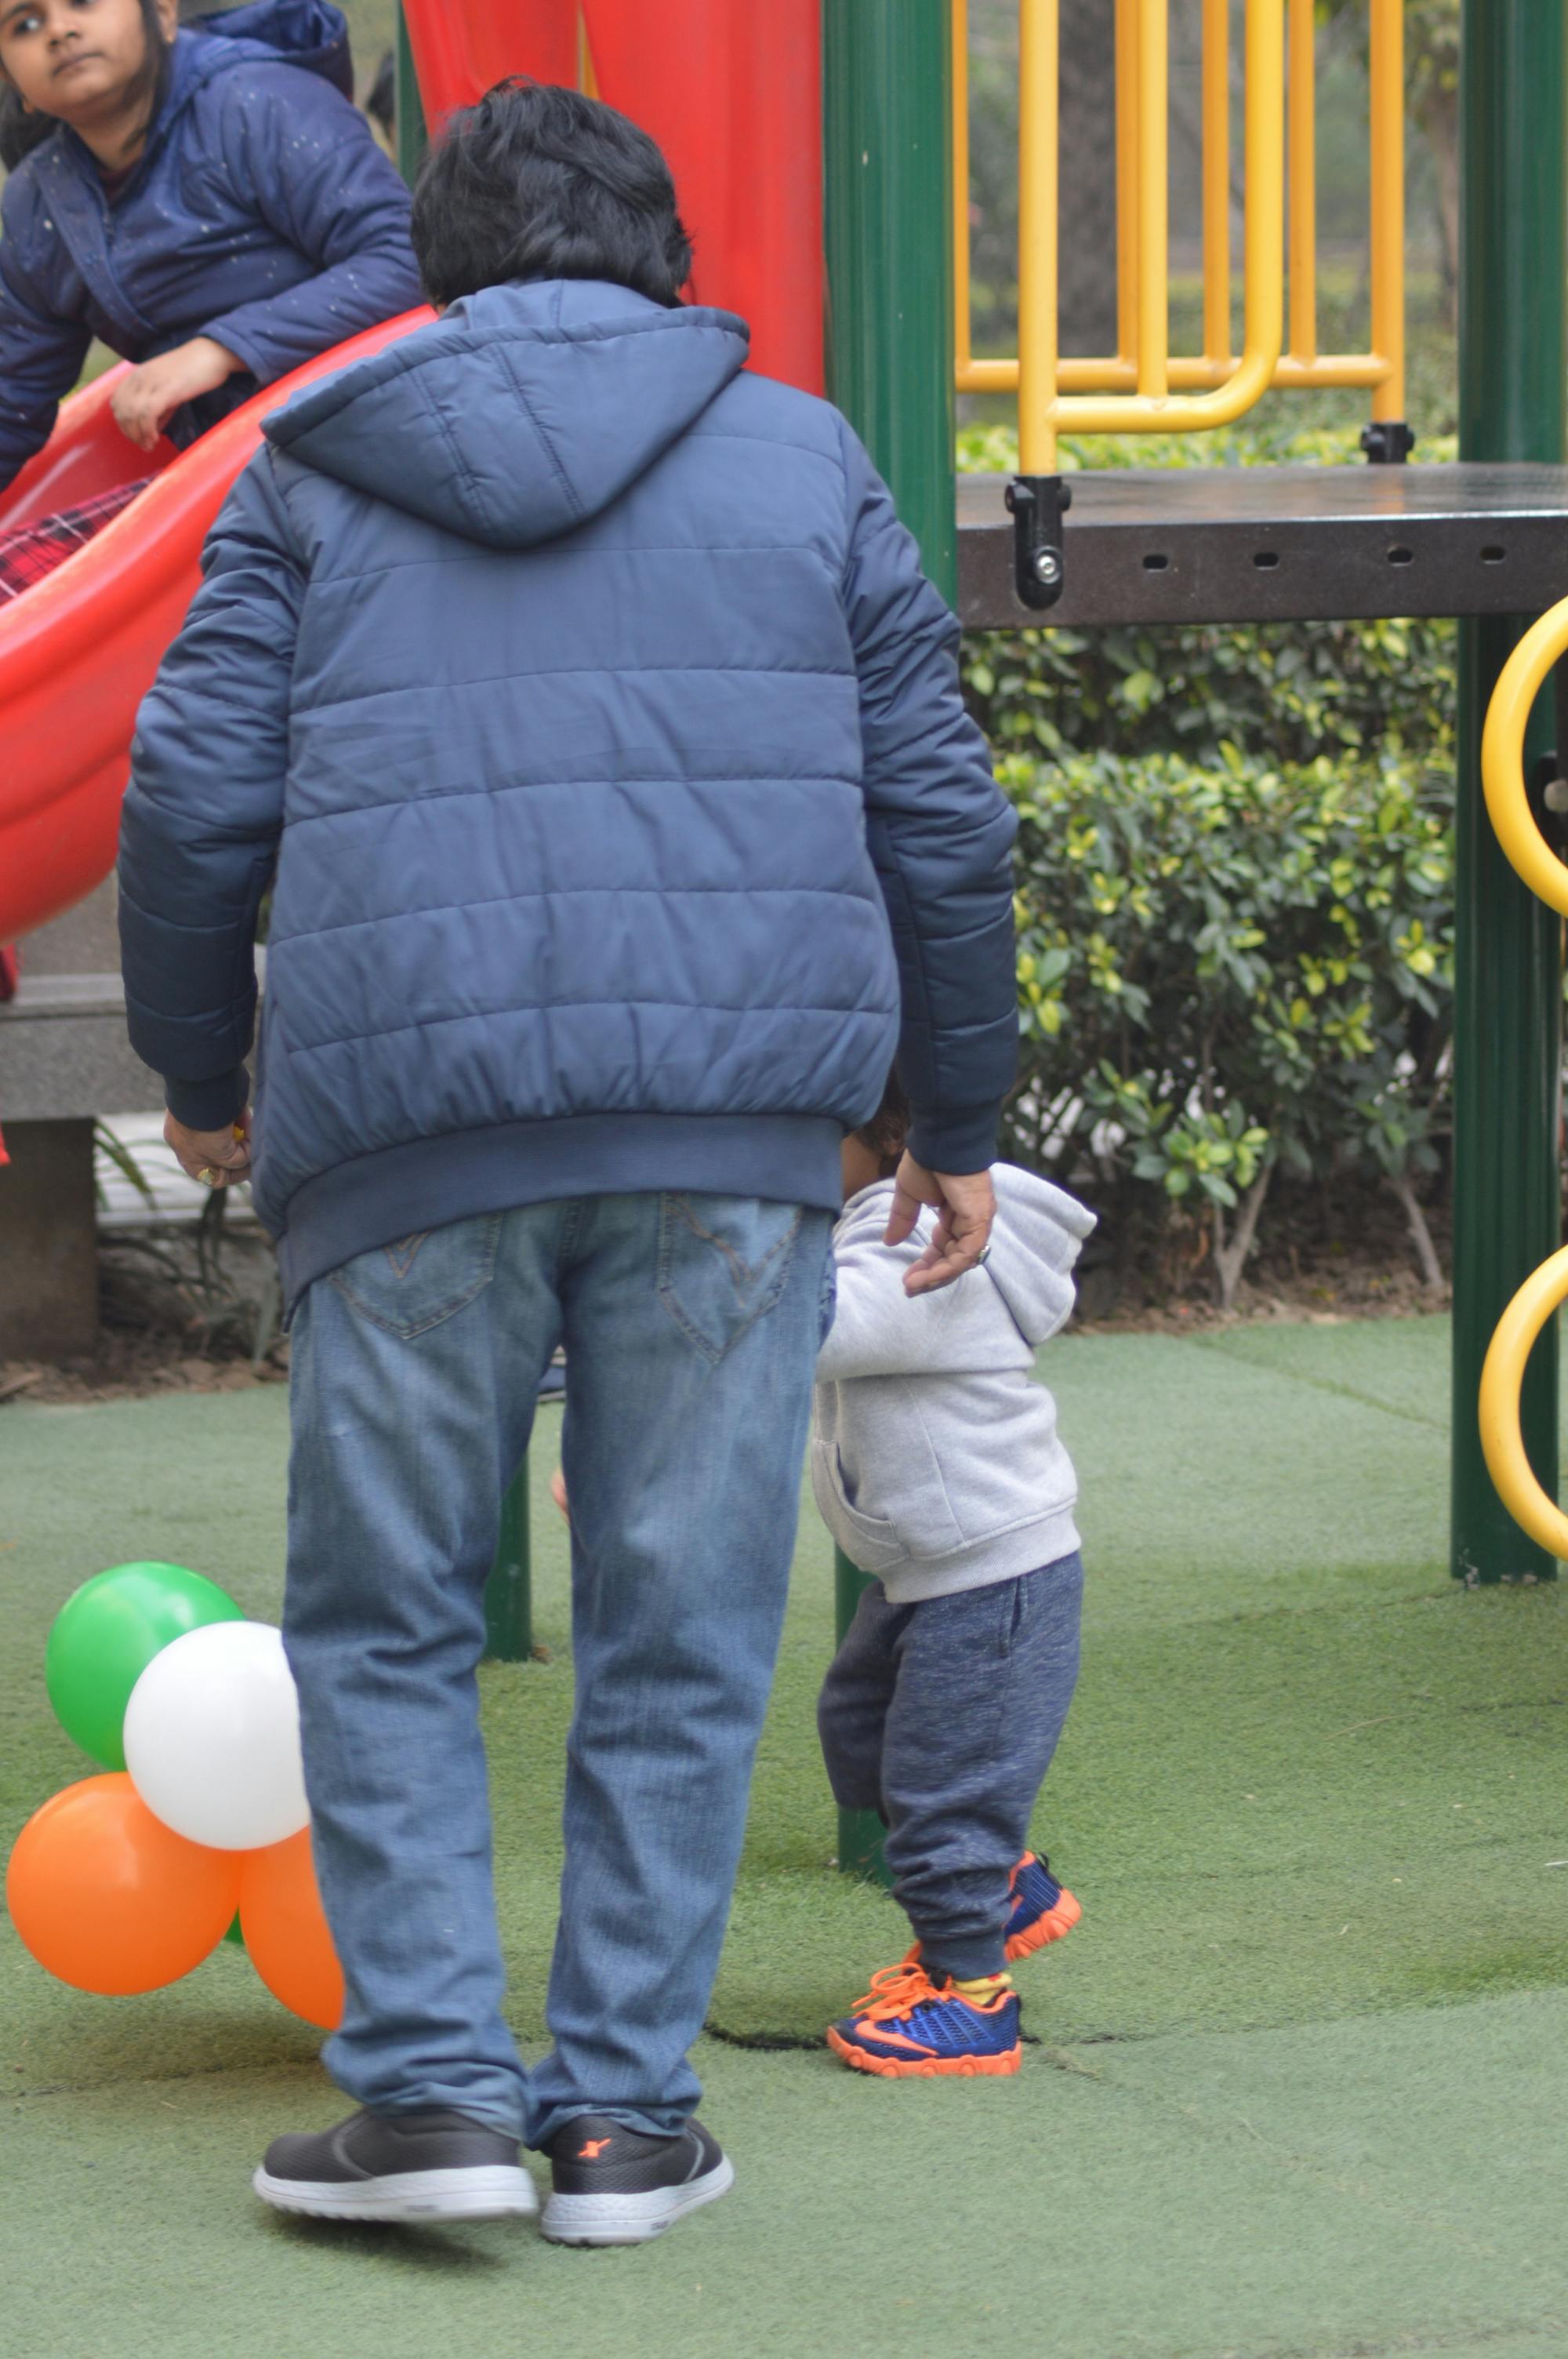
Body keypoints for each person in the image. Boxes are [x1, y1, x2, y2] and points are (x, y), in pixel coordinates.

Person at [118, 78, 1018, 2244]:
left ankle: (427, 2104)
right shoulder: (802, 454)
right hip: (730, 1139)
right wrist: (959, 1118)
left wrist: (205, 1073)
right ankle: (620, 2125)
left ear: (436, 267)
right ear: (663, 258)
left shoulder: (314, 463)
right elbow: (944, 817)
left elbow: (185, 803)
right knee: (685, 1622)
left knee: (387, 1619)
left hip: (404, 1132)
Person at [815, 1074, 1094, 2077]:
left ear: (875, 1133)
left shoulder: (919, 1233)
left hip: (992, 1575)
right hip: (927, 1570)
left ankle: (972, 1994)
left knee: (942, 1782)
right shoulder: (866, 1219)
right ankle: (1001, 1883)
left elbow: (827, 1326)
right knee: (858, 1730)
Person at [0, 0, 421, 597]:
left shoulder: (256, 102)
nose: (61, 30)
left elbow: (409, 260)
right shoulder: (40, 203)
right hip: (216, 475)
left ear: (164, 15)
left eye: (84, 3)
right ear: (10, 80)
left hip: (358, 440)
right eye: (25, 25)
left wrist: (220, 349)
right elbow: (10, 397)